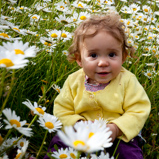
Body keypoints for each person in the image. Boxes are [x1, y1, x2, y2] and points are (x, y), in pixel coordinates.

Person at [44, 13, 151, 159]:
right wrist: (77, 124)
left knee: (128, 153)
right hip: (81, 133)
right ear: (79, 59)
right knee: (60, 144)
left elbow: (138, 109)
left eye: (112, 54)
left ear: (123, 56)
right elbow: (62, 109)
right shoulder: (74, 80)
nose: (103, 63)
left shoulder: (127, 81)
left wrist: (116, 128)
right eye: (93, 55)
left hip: (117, 136)